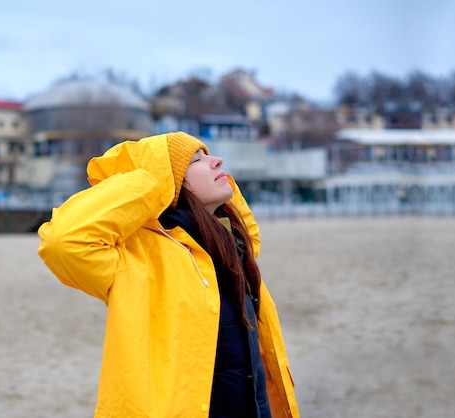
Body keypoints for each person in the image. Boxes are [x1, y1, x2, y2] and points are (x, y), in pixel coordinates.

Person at [37, 131, 300, 417]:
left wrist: (220, 185)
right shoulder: (137, 256)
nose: (217, 161)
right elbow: (63, 242)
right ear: (167, 181)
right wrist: (152, 178)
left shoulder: (234, 250)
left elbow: (250, 232)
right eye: (196, 160)